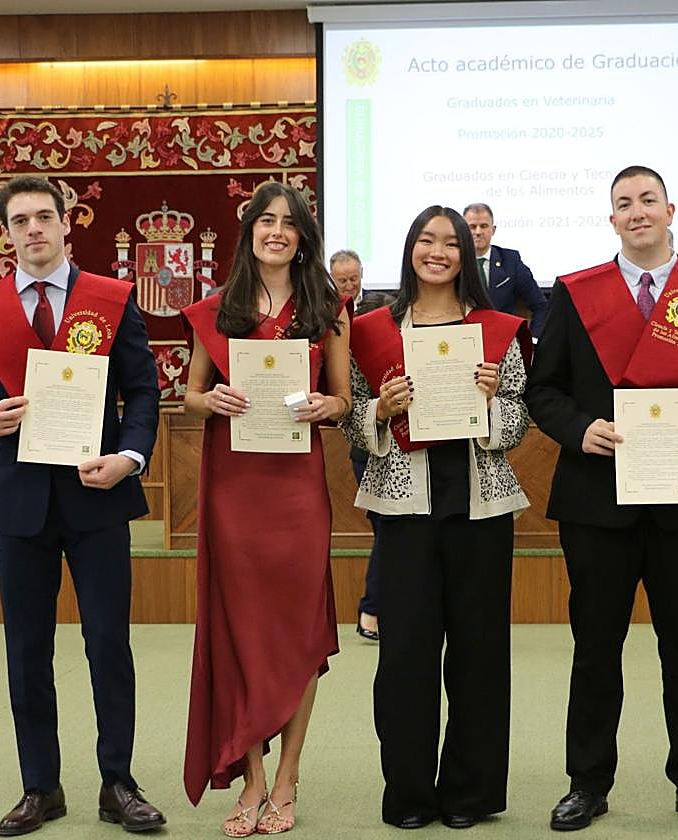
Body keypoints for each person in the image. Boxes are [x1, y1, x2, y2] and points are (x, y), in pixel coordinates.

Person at [525, 165, 678, 834]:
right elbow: (544, 389)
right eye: (624, 203)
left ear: (670, 209)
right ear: (612, 218)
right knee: (596, 649)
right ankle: (587, 783)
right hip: (597, 503)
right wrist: (580, 429)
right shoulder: (575, 293)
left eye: (648, 199)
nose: (637, 211)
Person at [0, 175, 165, 836]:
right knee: (27, 650)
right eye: (20, 221)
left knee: (109, 644)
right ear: (7, 234)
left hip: (99, 497)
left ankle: (118, 782)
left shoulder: (111, 299)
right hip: (21, 505)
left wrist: (130, 457)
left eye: (44, 216)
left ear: (67, 224)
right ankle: (40, 787)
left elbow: (143, 392)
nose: (34, 229)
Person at [341, 206, 532, 830]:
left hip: (480, 507)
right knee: (405, 656)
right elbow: (351, 419)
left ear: (466, 256)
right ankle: (409, 794)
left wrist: (491, 402)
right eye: (427, 240)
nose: (439, 252)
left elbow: (517, 420)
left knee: (479, 655)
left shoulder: (497, 329)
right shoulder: (372, 329)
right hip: (405, 510)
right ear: (410, 250)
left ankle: (469, 793)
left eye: (451, 243)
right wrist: (379, 410)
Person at [181, 182, 352, 837]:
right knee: (242, 630)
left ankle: (288, 777)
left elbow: (343, 400)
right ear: (249, 230)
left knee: (298, 628)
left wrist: (327, 406)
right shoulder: (217, 309)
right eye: (265, 220)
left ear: (303, 237)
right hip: (235, 487)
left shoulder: (327, 309)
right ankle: (252, 780)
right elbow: (191, 395)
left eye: (289, 222)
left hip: (297, 489)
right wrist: (211, 402)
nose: (276, 231)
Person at [329, 248, 382, 641]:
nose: (350, 285)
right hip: (364, 436)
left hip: (402, 430)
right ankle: (372, 610)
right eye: (342, 280)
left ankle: (375, 609)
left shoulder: (384, 305)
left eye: (354, 277)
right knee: (385, 528)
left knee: (390, 532)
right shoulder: (326, 313)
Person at [463, 202, 549, 336]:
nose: (478, 232)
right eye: (472, 227)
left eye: (484, 226)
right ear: (463, 231)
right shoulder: (454, 262)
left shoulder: (511, 261)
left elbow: (540, 306)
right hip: (465, 340)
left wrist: (533, 341)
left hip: (504, 340)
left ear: (493, 230)